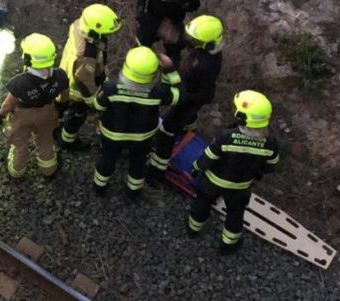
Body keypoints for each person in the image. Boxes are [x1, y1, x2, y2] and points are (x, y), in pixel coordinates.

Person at [187, 90, 280, 254]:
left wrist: (196, 167)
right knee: (235, 214)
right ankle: (228, 244)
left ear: (241, 118)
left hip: (212, 182)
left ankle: (192, 230)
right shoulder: (270, 144)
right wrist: (257, 173)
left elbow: (208, 157)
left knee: (201, 204)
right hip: (240, 188)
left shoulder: (225, 137)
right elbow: (271, 166)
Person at [89, 47, 179, 199]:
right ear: (152, 74)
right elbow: (178, 95)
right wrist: (170, 71)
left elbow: (97, 106)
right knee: (138, 164)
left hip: (113, 135)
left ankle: (99, 187)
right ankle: (133, 192)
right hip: (142, 138)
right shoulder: (158, 92)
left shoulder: (111, 87)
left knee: (107, 160)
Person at [148, 15, 224, 177]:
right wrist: (175, 37)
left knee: (166, 133)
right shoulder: (208, 50)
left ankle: (156, 170)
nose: (193, 41)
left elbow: (206, 95)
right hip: (189, 97)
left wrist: (169, 70)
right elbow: (194, 46)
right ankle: (189, 127)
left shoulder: (205, 64)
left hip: (186, 102)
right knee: (187, 120)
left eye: (196, 40)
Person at [0, 34, 68, 180]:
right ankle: (49, 169)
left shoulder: (19, 83)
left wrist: (1, 114)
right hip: (47, 113)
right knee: (46, 140)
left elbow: (8, 104)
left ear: (27, 59)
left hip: (23, 116)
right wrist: (60, 109)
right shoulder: (60, 76)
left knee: (20, 144)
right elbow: (65, 95)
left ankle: (16, 171)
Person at [54, 4, 122, 152]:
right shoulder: (87, 53)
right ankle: (67, 141)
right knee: (77, 115)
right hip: (78, 89)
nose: (108, 36)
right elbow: (83, 79)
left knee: (62, 106)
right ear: (94, 32)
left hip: (66, 72)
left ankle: (56, 123)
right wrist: (93, 101)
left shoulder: (79, 24)